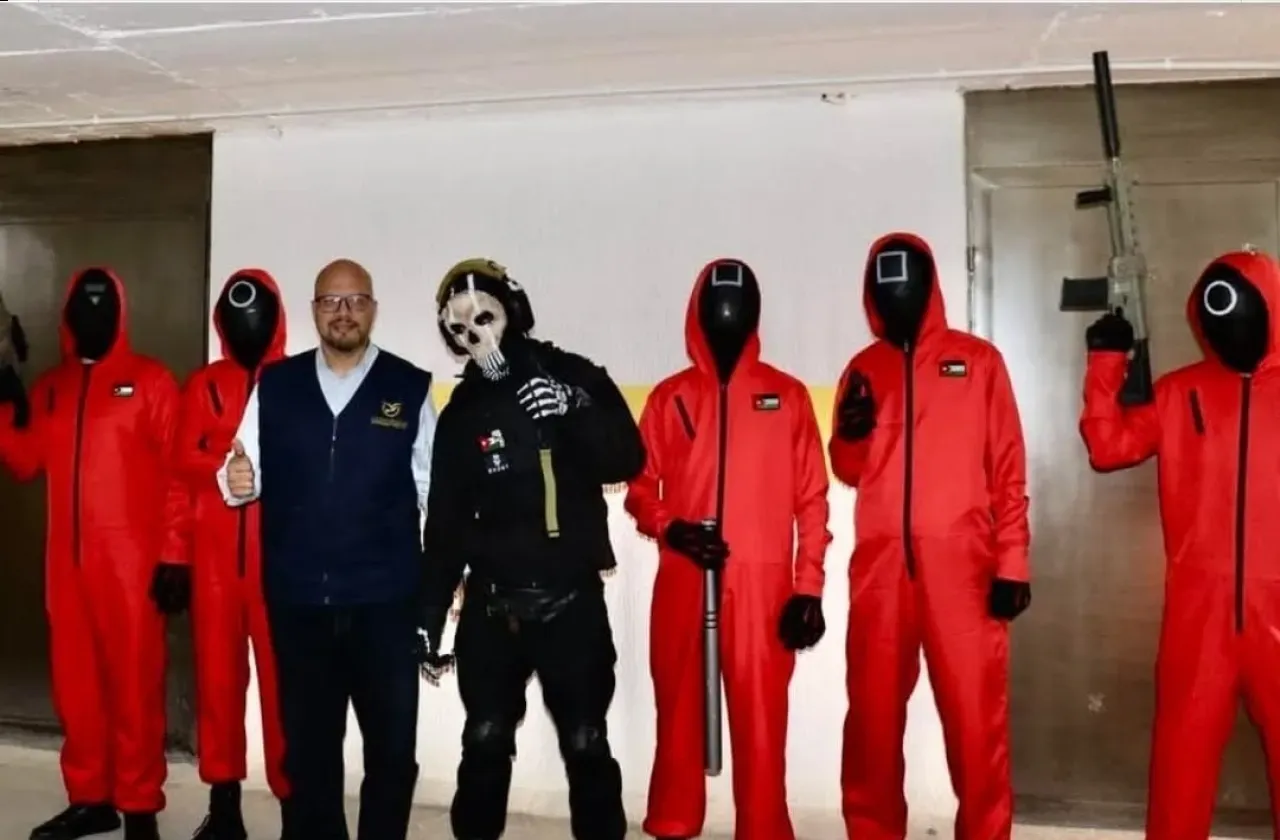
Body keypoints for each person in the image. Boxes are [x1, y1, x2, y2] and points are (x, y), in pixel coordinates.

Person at [420, 257, 644, 840]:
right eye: (461, 328)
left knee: (586, 742)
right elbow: (444, 524)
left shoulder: (573, 375)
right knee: (484, 740)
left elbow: (627, 457)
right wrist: (428, 616)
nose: (476, 335)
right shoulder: (462, 413)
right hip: (492, 607)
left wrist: (573, 407)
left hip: (571, 601)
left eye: (485, 317)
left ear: (513, 312)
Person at [217, 258, 435, 840]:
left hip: (385, 603)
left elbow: (433, 489)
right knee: (310, 754)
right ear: (314, 311)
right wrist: (235, 480)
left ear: (373, 310)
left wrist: (443, 581)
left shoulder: (409, 386)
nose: (344, 312)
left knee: (392, 752)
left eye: (356, 300)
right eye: (332, 302)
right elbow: (238, 473)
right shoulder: (276, 386)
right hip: (299, 604)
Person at [829, 232, 1030, 840]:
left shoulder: (979, 362)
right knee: (872, 721)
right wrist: (852, 435)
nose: (897, 296)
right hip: (880, 573)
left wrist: (1013, 562)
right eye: (885, 287)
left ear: (928, 286)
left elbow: (1008, 467)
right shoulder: (862, 370)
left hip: (963, 572)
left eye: (906, 284)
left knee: (975, 722)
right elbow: (849, 468)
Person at [624, 258, 831, 840]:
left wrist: (808, 587)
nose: (727, 315)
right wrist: (670, 527)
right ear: (698, 313)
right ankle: (673, 819)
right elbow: (639, 488)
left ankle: (764, 828)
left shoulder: (786, 397)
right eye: (717, 306)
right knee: (678, 709)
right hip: (685, 573)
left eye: (739, 306)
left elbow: (812, 500)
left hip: (762, 583)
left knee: (762, 719)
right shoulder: (670, 398)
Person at [1080, 249, 1280, 840]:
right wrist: (1106, 363)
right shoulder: (1179, 392)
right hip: (1199, 614)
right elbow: (1108, 448)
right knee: (1179, 768)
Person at [0, 267, 186, 840]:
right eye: (83, 306)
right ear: (68, 316)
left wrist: (175, 554)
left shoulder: (152, 382)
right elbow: (25, 460)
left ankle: (139, 808)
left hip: (132, 570)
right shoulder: (51, 388)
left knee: (135, 688)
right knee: (77, 689)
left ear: (120, 312)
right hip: (67, 570)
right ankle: (90, 799)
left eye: (103, 306)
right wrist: (5, 398)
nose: (93, 316)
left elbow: (178, 475)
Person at [168, 270, 291, 839]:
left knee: (287, 693)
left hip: (281, 567)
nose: (248, 325)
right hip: (214, 567)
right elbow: (177, 472)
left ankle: (296, 808)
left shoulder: (296, 382)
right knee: (217, 687)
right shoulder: (202, 386)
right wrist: (173, 555)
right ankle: (224, 809)